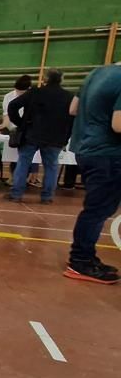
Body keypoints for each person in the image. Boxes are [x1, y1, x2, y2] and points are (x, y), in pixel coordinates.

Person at [64, 61, 121, 284]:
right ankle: (80, 260)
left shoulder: (97, 73)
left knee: (96, 208)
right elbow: (118, 124)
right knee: (98, 210)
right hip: (107, 152)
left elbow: (73, 109)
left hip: (86, 148)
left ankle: (84, 257)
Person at [5, 68, 72, 204]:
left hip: (32, 133)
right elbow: (73, 118)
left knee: (23, 163)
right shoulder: (69, 96)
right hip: (55, 137)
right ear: (61, 80)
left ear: (45, 79)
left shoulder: (35, 92)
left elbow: (13, 106)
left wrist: (21, 123)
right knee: (51, 166)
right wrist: (66, 137)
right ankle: (47, 197)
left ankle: (16, 194)